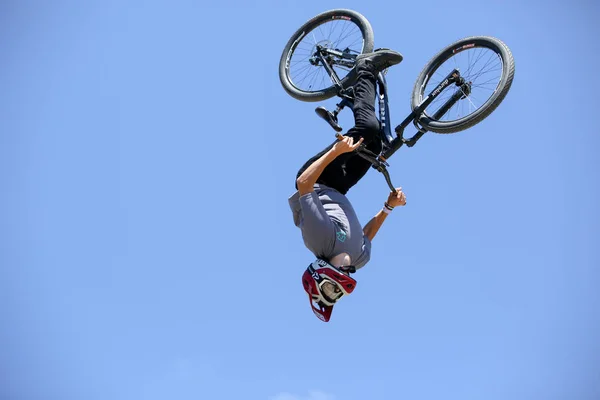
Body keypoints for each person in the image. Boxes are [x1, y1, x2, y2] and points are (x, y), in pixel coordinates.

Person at [288, 49, 407, 322]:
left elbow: (303, 185)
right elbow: (365, 236)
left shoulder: (320, 241)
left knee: (368, 131)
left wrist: (337, 151)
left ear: (318, 274)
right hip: (340, 187)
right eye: (336, 295)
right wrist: (388, 207)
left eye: (328, 289)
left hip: (318, 178)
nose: (336, 289)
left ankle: (365, 68)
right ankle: (357, 94)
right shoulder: (358, 261)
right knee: (381, 147)